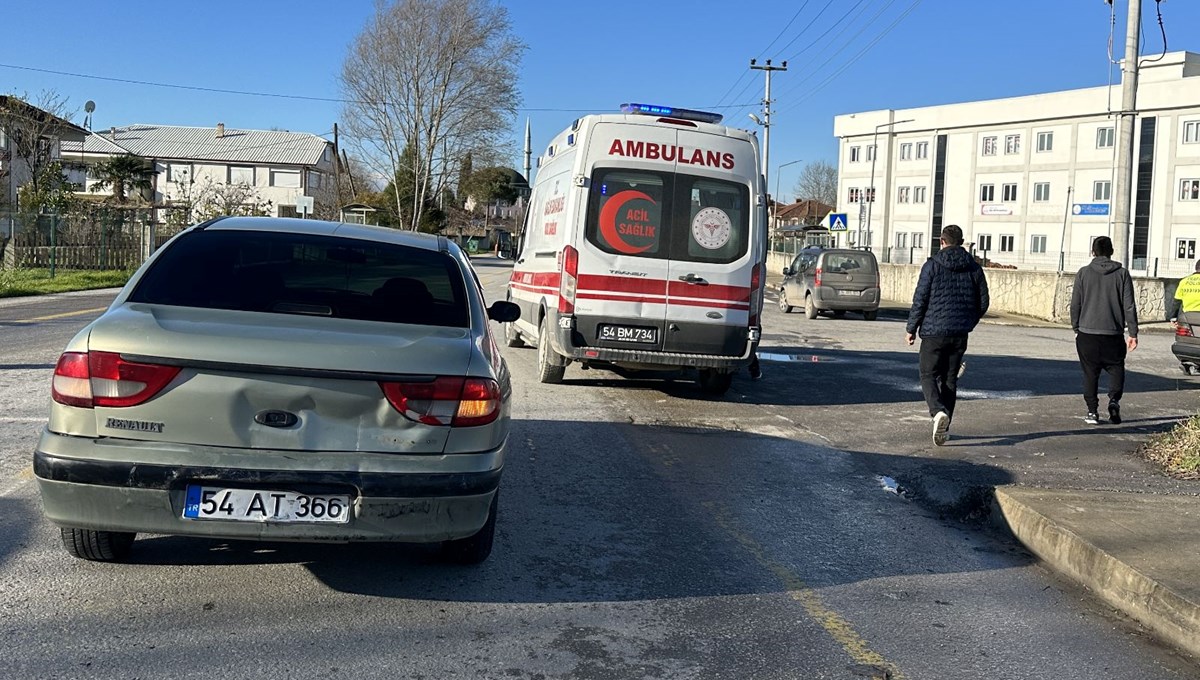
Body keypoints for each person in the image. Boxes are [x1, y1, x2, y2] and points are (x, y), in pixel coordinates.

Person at [905, 224, 990, 446]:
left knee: (928, 374)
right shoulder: (974, 267)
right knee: (950, 379)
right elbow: (983, 302)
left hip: (934, 332)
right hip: (959, 333)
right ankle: (945, 426)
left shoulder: (932, 266)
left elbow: (920, 299)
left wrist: (911, 328)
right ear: (961, 242)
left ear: (942, 241)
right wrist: (968, 321)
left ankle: (937, 412)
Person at [1070, 236, 1138, 425]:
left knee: (1090, 373)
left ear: (1093, 252)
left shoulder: (1083, 273)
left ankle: (1092, 411)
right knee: (1116, 368)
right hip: (1113, 333)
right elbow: (1129, 306)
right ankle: (1114, 401)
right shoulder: (1122, 274)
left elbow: (1075, 304)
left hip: (1087, 333)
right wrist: (1133, 333)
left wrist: (1076, 327)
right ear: (1112, 251)